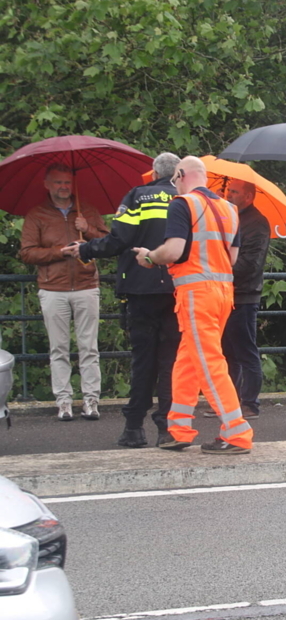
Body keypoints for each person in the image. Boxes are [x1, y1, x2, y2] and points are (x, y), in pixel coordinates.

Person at [132, 155, 252, 455]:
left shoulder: (182, 204)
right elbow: (233, 259)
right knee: (187, 361)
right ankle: (178, 429)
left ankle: (237, 433)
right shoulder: (230, 209)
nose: (174, 185)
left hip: (196, 293)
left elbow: (173, 250)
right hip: (223, 293)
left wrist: (149, 256)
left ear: (182, 174)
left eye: (174, 179)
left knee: (209, 363)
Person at [64, 153, 182, 448]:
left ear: (154, 171)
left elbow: (118, 239)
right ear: (178, 173)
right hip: (177, 289)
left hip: (140, 288)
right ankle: (168, 428)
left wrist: (87, 249)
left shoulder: (137, 196)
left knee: (143, 361)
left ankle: (133, 428)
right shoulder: (186, 199)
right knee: (170, 362)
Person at [18, 163, 109, 421]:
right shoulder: (36, 215)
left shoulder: (87, 210)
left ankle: (91, 400)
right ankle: (64, 401)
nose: (63, 187)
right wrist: (61, 251)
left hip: (86, 285)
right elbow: (27, 253)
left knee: (89, 348)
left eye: (67, 182)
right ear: (47, 184)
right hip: (52, 288)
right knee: (58, 348)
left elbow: (108, 242)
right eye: (58, 182)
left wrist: (88, 229)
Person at [203, 178, 269, 420]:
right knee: (226, 352)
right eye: (227, 190)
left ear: (248, 197)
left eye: (234, 191)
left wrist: (220, 268)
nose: (228, 194)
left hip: (244, 296)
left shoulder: (257, 224)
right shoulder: (228, 217)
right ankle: (228, 401)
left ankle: (250, 403)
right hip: (225, 293)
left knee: (245, 351)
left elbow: (251, 264)